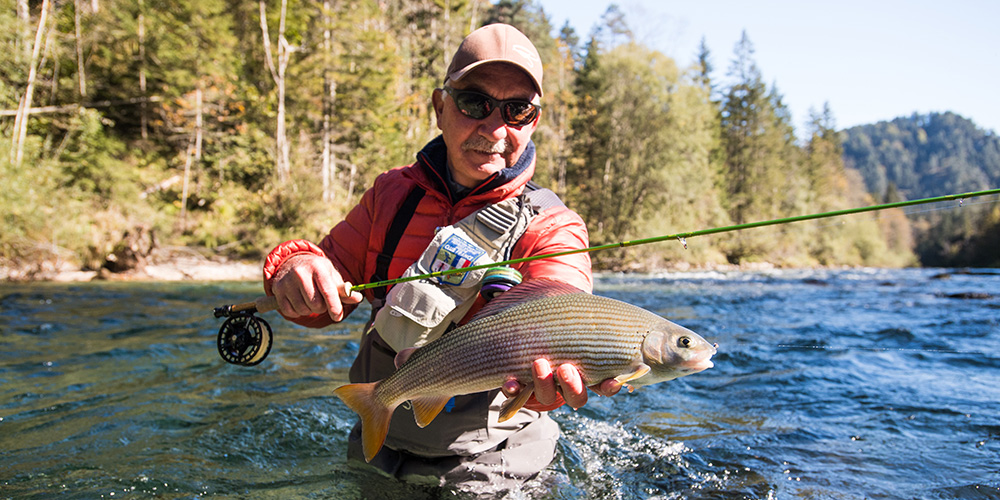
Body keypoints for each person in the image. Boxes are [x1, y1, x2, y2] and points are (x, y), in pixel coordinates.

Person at [261, 23, 621, 493]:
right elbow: (323, 280)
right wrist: (293, 269)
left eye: (517, 110)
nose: (495, 128)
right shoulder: (392, 195)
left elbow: (568, 313)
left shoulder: (553, 227)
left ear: (534, 121)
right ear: (439, 107)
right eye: (475, 103)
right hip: (380, 447)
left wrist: (566, 376)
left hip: (496, 461)